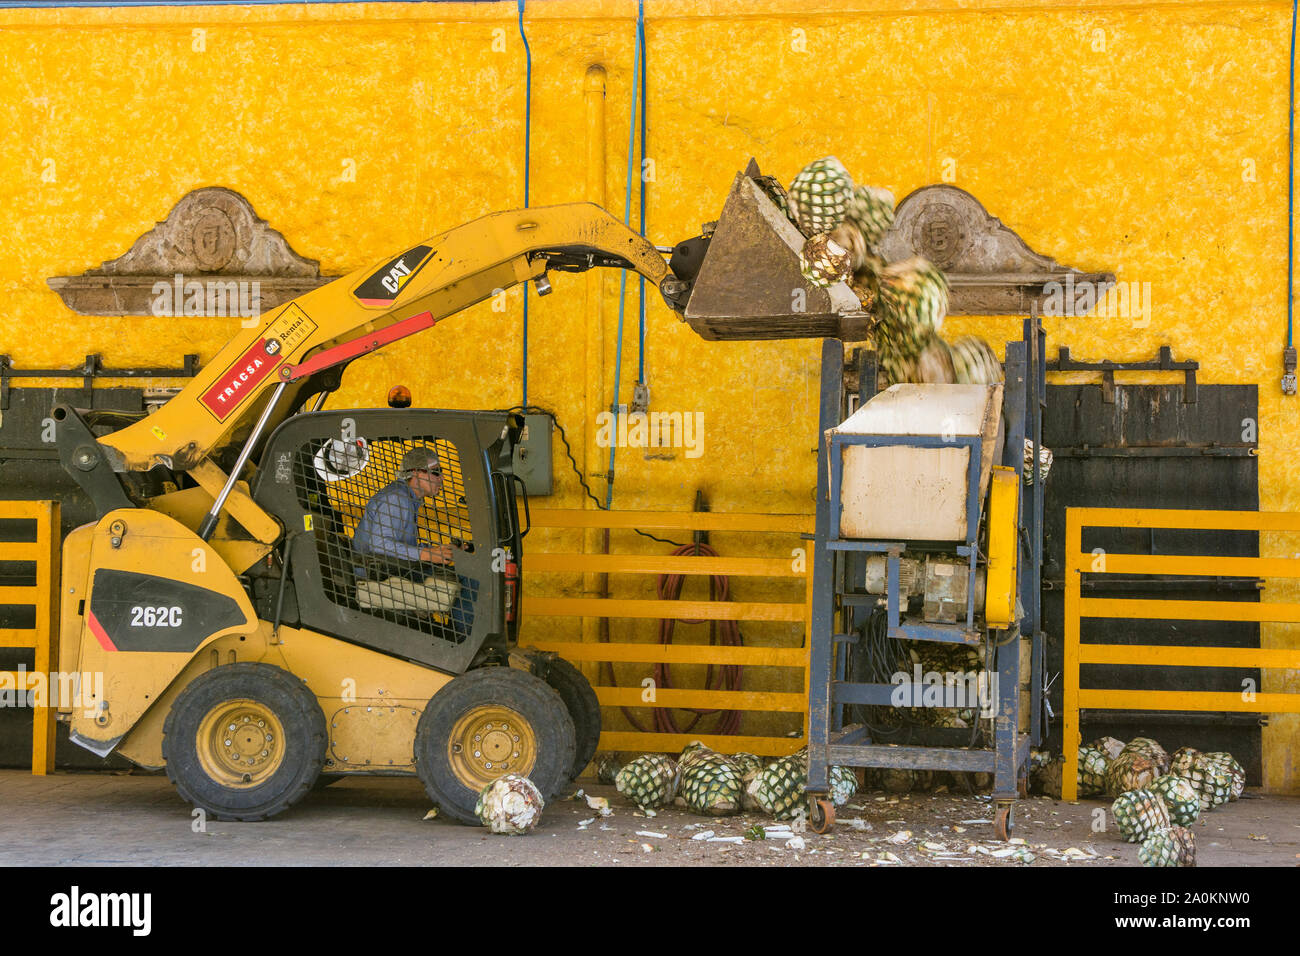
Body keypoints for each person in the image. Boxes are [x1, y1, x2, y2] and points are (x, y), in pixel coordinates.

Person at [351, 445, 476, 638]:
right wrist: (427, 554)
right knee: (471, 579)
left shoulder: (406, 499)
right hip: (377, 572)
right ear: (416, 473)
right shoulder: (396, 499)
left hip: (390, 567)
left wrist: (439, 550)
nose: (441, 478)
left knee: (460, 573)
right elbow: (380, 545)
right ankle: (462, 637)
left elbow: (398, 546)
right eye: (436, 472)